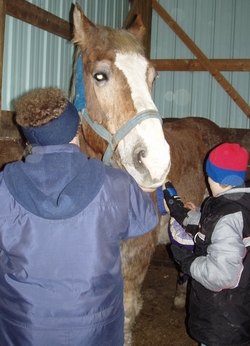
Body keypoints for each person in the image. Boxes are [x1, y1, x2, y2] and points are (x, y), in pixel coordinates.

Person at [0, 88, 159, 346]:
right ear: (78, 130)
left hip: (24, 329)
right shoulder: (117, 185)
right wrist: (134, 190)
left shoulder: (3, 188)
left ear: (28, 139)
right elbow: (144, 221)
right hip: (96, 329)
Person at [164, 142, 250, 346]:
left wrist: (188, 263)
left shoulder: (227, 215)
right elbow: (212, 227)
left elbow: (220, 276)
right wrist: (181, 212)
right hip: (237, 309)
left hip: (223, 320)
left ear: (211, 177)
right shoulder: (240, 202)